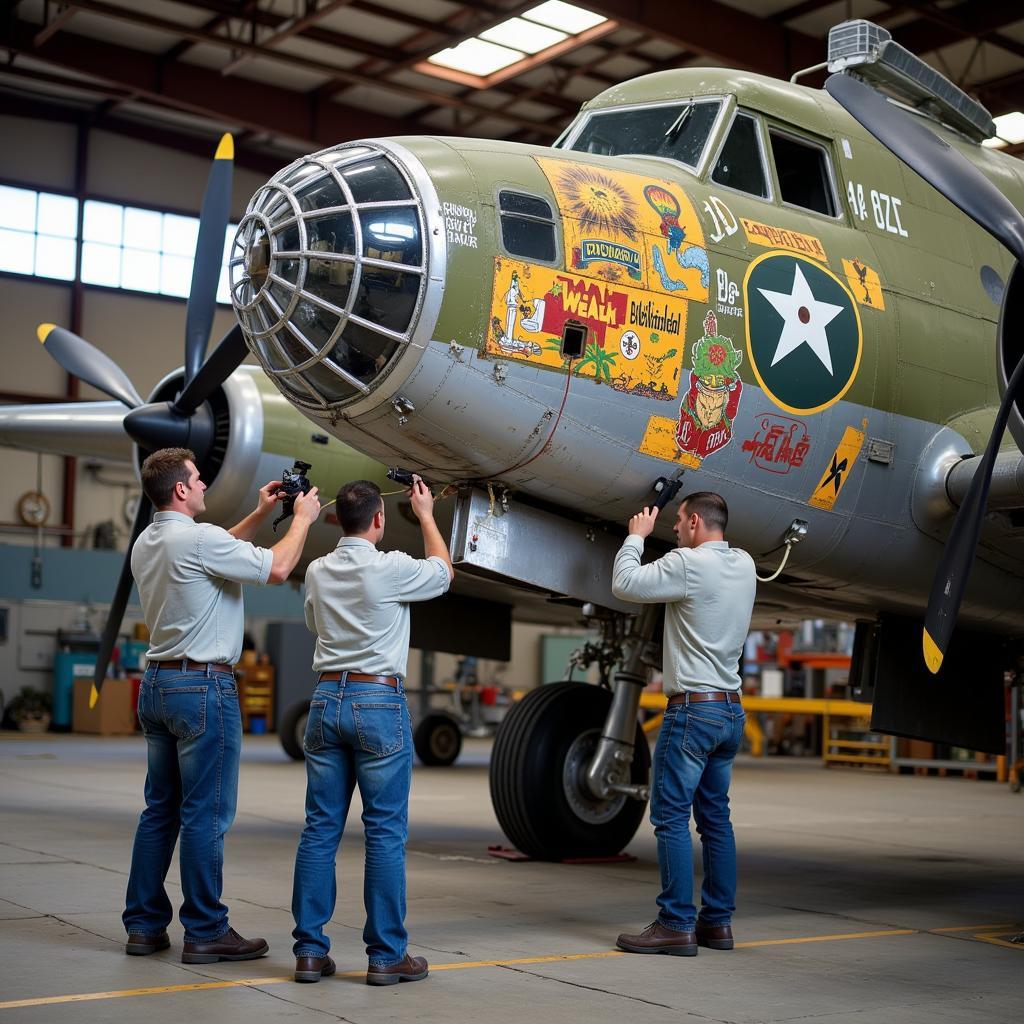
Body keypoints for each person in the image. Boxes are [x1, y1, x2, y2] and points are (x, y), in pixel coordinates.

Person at [123, 447, 321, 963]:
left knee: (159, 810)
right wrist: (301, 520)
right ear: (182, 490)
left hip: (159, 686)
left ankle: (144, 926)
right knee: (206, 815)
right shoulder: (199, 540)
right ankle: (206, 929)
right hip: (203, 690)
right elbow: (278, 569)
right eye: (198, 479)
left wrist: (258, 514)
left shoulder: (148, 541)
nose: (205, 484)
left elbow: (216, 551)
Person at [291, 476, 453, 986]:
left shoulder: (315, 571)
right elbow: (444, 574)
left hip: (325, 700)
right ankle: (386, 956)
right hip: (378, 701)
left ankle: (310, 953)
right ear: (379, 520)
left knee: (320, 829)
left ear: (338, 518)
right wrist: (426, 515)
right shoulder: (392, 568)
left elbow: (315, 626)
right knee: (383, 833)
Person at [611, 491, 755, 957]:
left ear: (694, 522)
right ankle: (718, 924)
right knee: (716, 818)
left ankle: (675, 922)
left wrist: (636, 538)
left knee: (670, 816)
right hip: (730, 709)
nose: (673, 528)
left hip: (692, 711)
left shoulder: (688, 563)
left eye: (677, 522)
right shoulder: (746, 564)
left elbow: (625, 584)